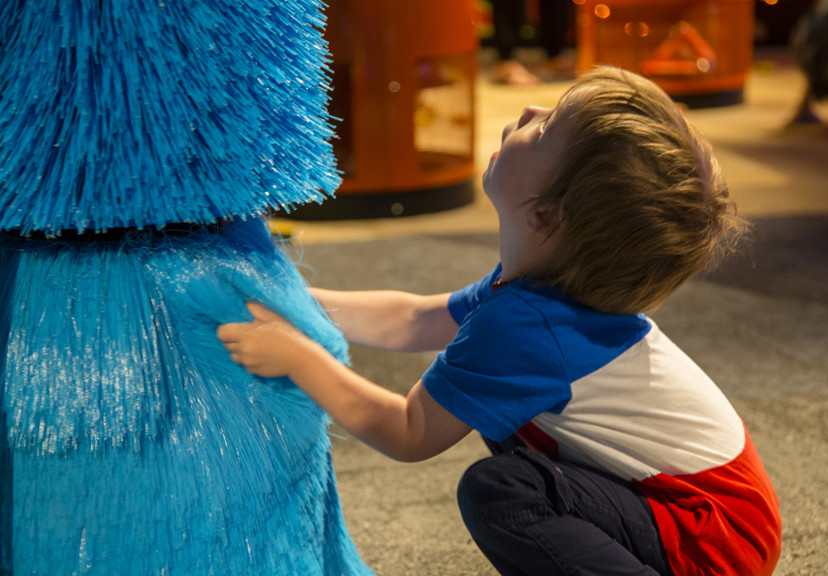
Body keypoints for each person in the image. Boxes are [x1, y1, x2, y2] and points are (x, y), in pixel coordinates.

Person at [218, 66, 782, 576]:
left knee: (505, 492)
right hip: (713, 517)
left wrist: (296, 355)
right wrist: (296, 300)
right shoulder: (536, 293)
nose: (530, 111)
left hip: (713, 539)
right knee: (507, 440)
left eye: (546, 128)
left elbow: (411, 431)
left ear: (543, 217)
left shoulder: (527, 327)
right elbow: (413, 319)